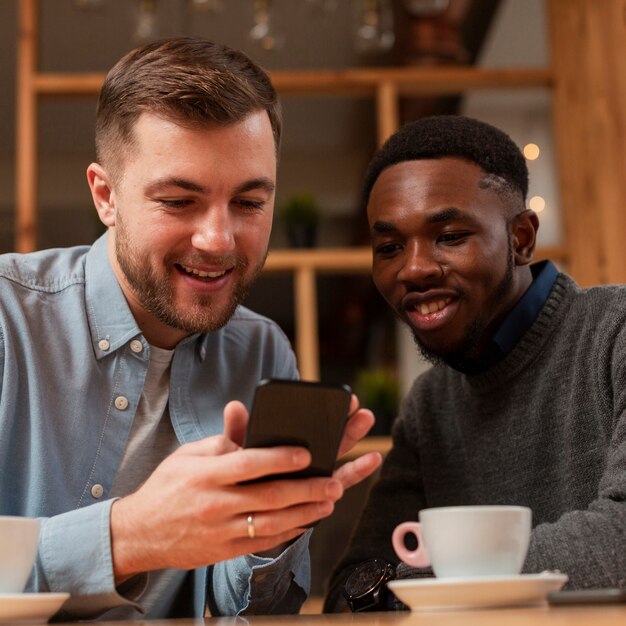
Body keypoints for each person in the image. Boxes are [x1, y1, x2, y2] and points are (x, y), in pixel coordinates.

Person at [0, 37, 382, 620]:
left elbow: (269, 612)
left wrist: (272, 531)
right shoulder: (8, 317)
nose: (219, 240)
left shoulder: (261, 350)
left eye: (250, 204)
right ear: (106, 195)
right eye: (179, 201)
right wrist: (131, 534)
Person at [324, 115, 626, 612]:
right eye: (389, 247)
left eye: (449, 236)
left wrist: (423, 580)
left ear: (522, 239)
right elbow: (350, 591)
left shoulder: (614, 333)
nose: (414, 268)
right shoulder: (431, 405)